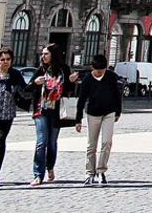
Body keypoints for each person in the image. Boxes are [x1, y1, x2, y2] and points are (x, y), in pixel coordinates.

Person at [28, 43, 72, 186]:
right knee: (41, 142)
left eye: (46, 53)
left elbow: (69, 92)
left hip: (56, 111)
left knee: (52, 143)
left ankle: (50, 167)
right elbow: (28, 87)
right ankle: (38, 175)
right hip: (40, 109)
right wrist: (35, 82)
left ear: (53, 55)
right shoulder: (40, 70)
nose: (43, 56)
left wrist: (71, 82)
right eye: (42, 53)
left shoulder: (63, 70)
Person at [74, 54, 121, 185]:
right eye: (98, 71)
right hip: (93, 113)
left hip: (109, 113)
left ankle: (101, 170)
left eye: (102, 70)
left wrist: (118, 111)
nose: (100, 73)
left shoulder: (111, 77)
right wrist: (78, 120)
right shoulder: (88, 79)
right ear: (92, 68)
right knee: (91, 145)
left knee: (107, 142)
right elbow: (81, 99)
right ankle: (89, 173)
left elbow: (117, 95)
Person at [0, 47, 27, 186]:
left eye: (8, 59)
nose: (5, 62)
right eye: (2, 59)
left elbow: (24, 93)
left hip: (6, 116)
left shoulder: (15, 75)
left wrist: (35, 85)